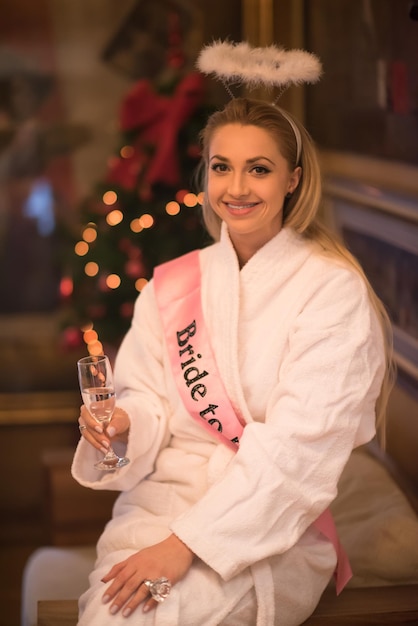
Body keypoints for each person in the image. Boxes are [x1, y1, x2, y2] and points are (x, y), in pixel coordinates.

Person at [71, 43, 393, 626]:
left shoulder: (332, 293)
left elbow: (299, 457)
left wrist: (183, 549)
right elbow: (146, 399)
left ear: (293, 179)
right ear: (206, 174)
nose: (237, 188)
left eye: (259, 168)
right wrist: (123, 424)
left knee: (158, 616)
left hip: (265, 534)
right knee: (112, 613)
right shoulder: (172, 285)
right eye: (222, 167)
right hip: (156, 512)